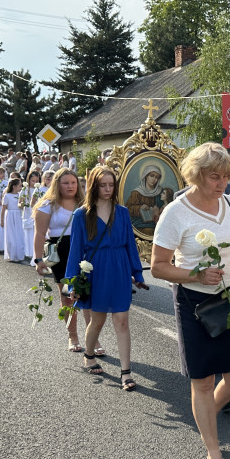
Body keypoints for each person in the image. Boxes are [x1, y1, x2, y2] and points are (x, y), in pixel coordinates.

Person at [151, 143, 230, 459]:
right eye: (215, 176)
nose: (222, 182)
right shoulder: (176, 213)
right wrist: (195, 274)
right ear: (196, 175)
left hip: (229, 299)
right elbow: (158, 266)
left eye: (226, 175)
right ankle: (214, 454)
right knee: (203, 381)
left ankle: (203, 412)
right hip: (194, 302)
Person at [65, 166, 147, 390]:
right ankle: (89, 354)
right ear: (94, 186)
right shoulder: (82, 214)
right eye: (103, 185)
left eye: (111, 185)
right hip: (96, 270)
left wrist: (137, 273)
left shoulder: (122, 212)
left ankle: (126, 373)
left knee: (121, 321)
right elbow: (75, 250)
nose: (108, 189)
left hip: (119, 268)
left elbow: (130, 244)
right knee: (97, 320)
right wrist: (72, 282)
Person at [34, 169, 91, 353]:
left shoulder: (85, 204)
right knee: (67, 296)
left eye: (73, 183)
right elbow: (40, 234)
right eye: (66, 183)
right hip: (62, 252)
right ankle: (72, 336)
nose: (71, 186)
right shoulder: (48, 205)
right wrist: (38, 260)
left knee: (88, 295)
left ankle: (93, 339)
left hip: (84, 252)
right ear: (57, 184)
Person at [126, 164, 166, 233]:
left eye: (156, 177)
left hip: (157, 222)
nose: (154, 179)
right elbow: (128, 208)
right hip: (140, 223)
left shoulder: (161, 192)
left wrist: (158, 209)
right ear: (146, 176)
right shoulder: (136, 193)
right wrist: (140, 207)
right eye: (152, 176)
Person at [2, 178, 26, 263]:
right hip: (10, 215)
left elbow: (21, 206)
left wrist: (23, 204)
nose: (21, 187)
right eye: (20, 185)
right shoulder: (7, 195)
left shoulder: (20, 195)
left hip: (18, 215)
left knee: (19, 234)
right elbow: (3, 208)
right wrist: (1, 221)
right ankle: (12, 255)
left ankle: (19, 254)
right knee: (11, 235)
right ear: (14, 186)